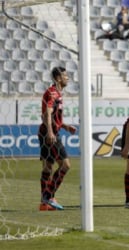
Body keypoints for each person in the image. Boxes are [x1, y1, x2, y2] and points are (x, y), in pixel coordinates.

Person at [38, 67, 77, 211]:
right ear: (58, 78)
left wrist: (65, 126)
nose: (67, 78)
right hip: (50, 134)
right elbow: (46, 114)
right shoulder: (52, 93)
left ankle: (44, 203)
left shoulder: (57, 94)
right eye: (65, 76)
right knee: (65, 165)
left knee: (48, 167)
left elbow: (52, 116)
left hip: (48, 131)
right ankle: (48, 196)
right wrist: (50, 132)